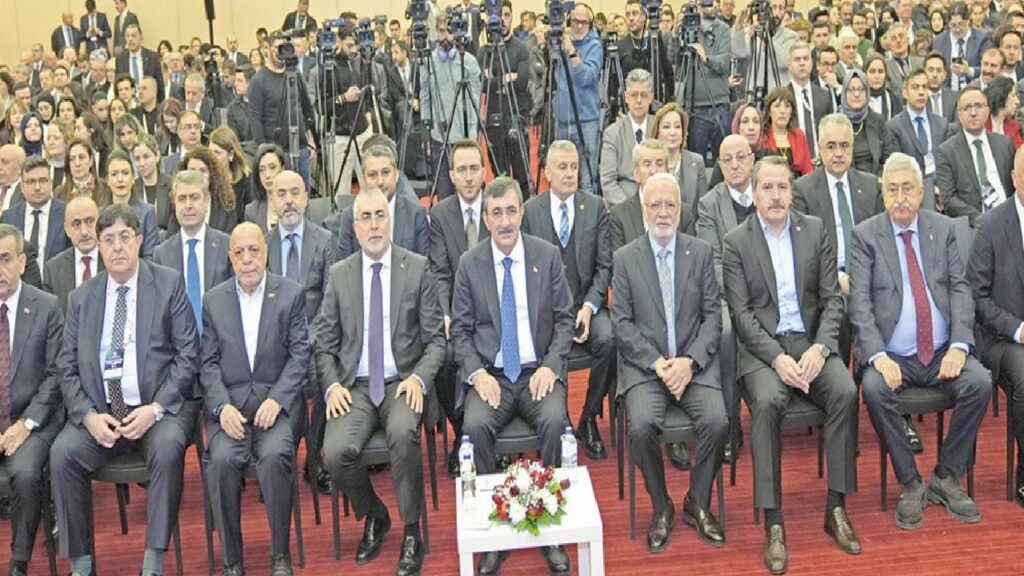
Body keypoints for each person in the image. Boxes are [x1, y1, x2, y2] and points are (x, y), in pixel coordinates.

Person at [722, 156, 861, 574]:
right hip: (764, 352)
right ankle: (774, 521)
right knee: (767, 404)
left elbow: (832, 300)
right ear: (754, 193)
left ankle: (836, 506)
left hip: (810, 343)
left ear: (792, 191)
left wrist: (821, 348)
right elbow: (742, 315)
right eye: (767, 188)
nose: (776, 196)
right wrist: (776, 358)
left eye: (783, 187)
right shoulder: (736, 241)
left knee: (845, 392)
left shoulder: (814, 230)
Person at [50, 202, 199, 576]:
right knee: (63, 454)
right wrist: (87, 416)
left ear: (140, 240)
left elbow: (188, 356)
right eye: (108, 239)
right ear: (99, 246)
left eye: (124, 237)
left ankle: (153, 560)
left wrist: (156, 409)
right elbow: (66, 366)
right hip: (102, 415)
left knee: (168, 448)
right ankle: (81, 564)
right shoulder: (81, 298)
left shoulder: (167, 284)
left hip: (155, 411)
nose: (117, 247)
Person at [848, 152, 991, 529]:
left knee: (980, 382)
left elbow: (960, 288)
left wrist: (959, 345)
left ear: (922, 191)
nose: (900, 198)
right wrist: (878, 356)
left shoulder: (942, 229)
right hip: (893, 356)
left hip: (943, 351)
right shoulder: (865, 236)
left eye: (907, 189)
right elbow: (859, 303)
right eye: (892, 190)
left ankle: (946, 474)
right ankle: (910, 481)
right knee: (873, 389)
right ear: (882, 193)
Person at [314, 188, 445, 576]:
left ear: (390, 222)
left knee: (404, 433)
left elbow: (437, 341)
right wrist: (331, 386)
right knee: (335, 452)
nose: (373, 225)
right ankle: (375, 513)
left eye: (379, 216)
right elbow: (323, 344)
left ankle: (411, 532)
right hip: (354, 386)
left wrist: (419, 378)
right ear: (354, 228)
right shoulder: (340, 275)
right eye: (365, 218)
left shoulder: (416, 268)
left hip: (401, 382)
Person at [451, 177, 574, 576]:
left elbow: (564, 320)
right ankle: (495, 529)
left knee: (555, 421)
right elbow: (460, 332)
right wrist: (475, 374)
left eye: (511, 211)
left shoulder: (547, 255)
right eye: (496, 213)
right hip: (493, 376)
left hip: (537, 371)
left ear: (522, 212)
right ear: (486, 219)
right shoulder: (470, 264)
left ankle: (550, 528)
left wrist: (551, 366)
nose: (505, 221)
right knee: (474, 426)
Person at [612, 172, 728, 552]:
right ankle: (661, 505)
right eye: (655, 205)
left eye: (670, 205)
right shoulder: (625, 259)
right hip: (648, 370)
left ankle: (697, 500)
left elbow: (713, 317)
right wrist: (657, 363)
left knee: (718, 421)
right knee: (641, 427)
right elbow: (621, 323)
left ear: (681, 209)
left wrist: (689, 363)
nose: (663, 212)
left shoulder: (701, 252)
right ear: (643, 209)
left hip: (693, 367)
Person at [201, 222, 308, 576]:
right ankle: (232, 561)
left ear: (266, 252)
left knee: (275, 457)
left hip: (275, 409)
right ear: (230, 258)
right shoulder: (213, 300)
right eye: (239, 252)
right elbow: (208, 363)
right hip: (230, 410)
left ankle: (280, 555)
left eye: (254, 250)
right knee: (220, 461)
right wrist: (221, 407)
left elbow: (300, 355)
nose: (247, 259)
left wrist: (277, 399)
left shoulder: (290, 294)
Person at [522, 141, 614, 461]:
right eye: (562, 167)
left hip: (587, 304)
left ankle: (588, 417)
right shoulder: (530, 211)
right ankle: (554, 423)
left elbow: (604, 267)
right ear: (547, 172)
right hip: (546, 311)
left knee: (610, 339)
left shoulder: (596, 207)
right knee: (538, 339)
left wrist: (589, 307)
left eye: (574, 167)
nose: (570, 173)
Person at [265, 169, 336, 492]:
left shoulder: (326, 241)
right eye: (281, 194)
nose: (289, 200)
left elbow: (332, 300)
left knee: (325, 377)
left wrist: (308, 341)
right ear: (272, 200)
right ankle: (280, 460)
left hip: (317, 338)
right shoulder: (262, 246)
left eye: (295, 192)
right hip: (275, 343)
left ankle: (315, 459)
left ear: (306, 198)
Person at [0, 224, 64, 576]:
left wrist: (25, 424)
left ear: (22, 262)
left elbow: (56, 376)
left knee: (25, 474)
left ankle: (19, 561)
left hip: (33, 420)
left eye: (5, 259)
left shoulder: (46, 307)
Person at [426, 139, 489, 474]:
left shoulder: (497, 206)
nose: (468, 176)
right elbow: (439, 271)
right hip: (457, 313)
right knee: (444, 359)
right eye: (461, 170)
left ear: (484, 171)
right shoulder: (440, 215)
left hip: (494, 315)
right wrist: (446, 313)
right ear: (451, 175)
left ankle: (489, 432)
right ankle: (464, 432)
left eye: (474, 169)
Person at [968, 145, 1024, 508]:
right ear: (1015, 178)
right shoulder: (990, 226)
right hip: (1003, 338)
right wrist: (1018, 329)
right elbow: (977, 298)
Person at [151, 169, 233, 333]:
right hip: (179, 342)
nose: (188, 205)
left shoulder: (226, 245)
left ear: (207, 202)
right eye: (182, 199)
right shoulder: (161, 254)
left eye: (194, 197)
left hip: (221, 339)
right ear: (174, 204)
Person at [420, 17, 482, 201]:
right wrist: (426, 135)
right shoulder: (428, 62)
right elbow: (425, 99)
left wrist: (473, 132)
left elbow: (476, 100)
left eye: (449, 31)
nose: (445, 36)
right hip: (439, 137)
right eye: (441, 31)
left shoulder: (469, 62)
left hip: (463, 136)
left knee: (467, 189)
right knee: (444, 192)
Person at [935, 86, 1014, 224]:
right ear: (959, 115)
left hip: (1008, 219)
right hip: (974, 225)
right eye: (967, 108)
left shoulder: (1005, 144)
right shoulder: (946, 152)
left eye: (978, 106)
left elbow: (1016, 185)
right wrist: (984, 221)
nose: (973, 113)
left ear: (987, 111)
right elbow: (949, 200)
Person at [334, 145, 429, 260]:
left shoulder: (416, 214)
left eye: (385, 173)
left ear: (396, 175)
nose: (380, 182)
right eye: (372, 175)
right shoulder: (349, 216)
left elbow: (423, 266)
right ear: (363, 179)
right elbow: (345, 267)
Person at [248, 30, 316, 189]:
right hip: (276, 152)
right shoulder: (258, 81)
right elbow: (255, 119)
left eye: (286, 47)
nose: (282, 52)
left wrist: (311, 139)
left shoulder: (295, 74)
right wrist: (264, 152)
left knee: (303, 194)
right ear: (269, 49)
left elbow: (305, 108)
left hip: (301, 147)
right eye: (278, 47)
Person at [886, 69, 952, 211]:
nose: (921, 92)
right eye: (915, 87)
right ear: (905, 93)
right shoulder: (894, 126)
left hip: (942, 188)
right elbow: (899, 167)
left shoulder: (941, 124)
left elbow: (947, 163)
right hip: (912, 189)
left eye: (925, 87)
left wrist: (940, 188)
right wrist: (929, 189)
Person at [555, 3, 603, 194]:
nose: (580, 26)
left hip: (586, 122)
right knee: (561, 178)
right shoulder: (559, 43)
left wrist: (572, 52)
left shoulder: (594, 46)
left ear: (590, 24)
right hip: (562, 122)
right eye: (576, 21)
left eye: (584, 22)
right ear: (569, 21)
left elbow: (587, 78)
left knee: (587, 180)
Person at [679, 0, 731, 164]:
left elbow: (725, 63)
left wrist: (706, 58)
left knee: (723, 161)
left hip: (719, 104)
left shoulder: (723, 29)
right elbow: (675, 60)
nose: (713, 5)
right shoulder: (686, 27)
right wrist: (676, 33)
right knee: (695, 162)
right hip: (695, 107)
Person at [1, 156, 71, 279]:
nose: (37, 187)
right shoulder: (9, 217)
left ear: (51, 183)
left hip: (57, 284)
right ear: (22, 187)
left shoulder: (66, 213)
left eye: (43, 181)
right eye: (31, 182)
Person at [600, 69, 656, 206]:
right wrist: (630, 209)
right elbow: (608, 181)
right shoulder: (612, 133)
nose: (638, 100)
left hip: (656, 201)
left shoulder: (659, 128)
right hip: (623, 204)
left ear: (651, 98)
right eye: (634, 95)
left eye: (643, 95)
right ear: (626, 97)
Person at [42, 196, 101, 312]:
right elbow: (51, 316)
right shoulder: (53, 269)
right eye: (76, 224)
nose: (84, 232)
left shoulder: (112, 261)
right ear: (67, 229)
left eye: (90, 222)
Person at [169, 146, 240, 235]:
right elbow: (171, 237)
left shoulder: (226, 205)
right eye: (192, 170)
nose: (197, 175)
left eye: (202, 171)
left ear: (212, 174)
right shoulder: (180, 203)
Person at [100, 151, 158, 258]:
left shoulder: (147, 212)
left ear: (133, 178)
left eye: (125, 173)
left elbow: (150, 256)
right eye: (114, 174)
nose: (120, 179)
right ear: (107, 180)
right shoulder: (100, 214)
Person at [932, 1, 993, 91]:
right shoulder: (939, 42)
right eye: (953, 25)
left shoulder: (982, 38)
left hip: (975, 92)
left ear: (968, 21)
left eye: (960, 24)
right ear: (948, 23)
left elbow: (990, 68)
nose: (957, 29)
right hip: (948, 92)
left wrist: (969, 71)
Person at [842, 69, 893, 175]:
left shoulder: (878, 121)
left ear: (867, 92)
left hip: (876, 180)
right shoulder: (836, 124)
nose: (857, 94)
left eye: (861, 89)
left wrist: (878, 179)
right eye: (851, 90)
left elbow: (889, 158)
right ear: (844, 94)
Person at [787, 42, 833, 157]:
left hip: (820, 159)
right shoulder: (783, 97)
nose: (802, 63)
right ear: (789, 65)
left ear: (812, 64)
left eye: (806, 59)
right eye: (797, 59)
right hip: (793, 160)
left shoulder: (824, 95)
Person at [760, 86, 814, 177]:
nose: (782, 111)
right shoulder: (762, 136)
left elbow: (808, 170)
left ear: (791, 113)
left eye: (787, 106)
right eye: (777, 106)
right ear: (769, 111)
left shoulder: (799, 135)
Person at [131, 135, 172, 230]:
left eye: (146, 157)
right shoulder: (132, 188)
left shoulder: (171, 185)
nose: (142, 163)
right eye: (137, 159)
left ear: (157, 156)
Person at [115, 25, 165, 103]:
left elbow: (160, 86)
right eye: (128, 36)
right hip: (129, 104)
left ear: (141, 38)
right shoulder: (120, 59)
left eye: (133, 36)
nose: (130, 39)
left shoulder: (152, 57)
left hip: (149, 103)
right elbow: (118, 86)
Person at [245, 144, 286, 234]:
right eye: (262, 170)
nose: (267, 175)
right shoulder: (251, 212)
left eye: (272, 168)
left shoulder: (296, 204)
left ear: (282, 169)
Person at [984, 77, 1024, 148]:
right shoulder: (981, 124)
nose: (1017, 102)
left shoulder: (1015, 127)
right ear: (1002, 96)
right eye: (1013, 95)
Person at [865, 53, 904, 122]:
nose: (877, 76)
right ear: (865, 73)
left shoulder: (894, 99)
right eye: (872, 71)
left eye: (880, 71)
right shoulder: (859, 99)